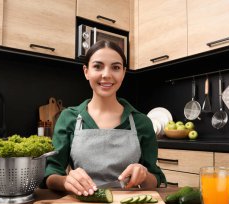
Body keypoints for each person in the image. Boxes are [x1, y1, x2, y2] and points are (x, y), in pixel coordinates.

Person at [43, 40, 166, 196]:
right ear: (86, 71)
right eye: (98, 66)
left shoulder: (142, 122)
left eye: (115, 67)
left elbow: (156, 178)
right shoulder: (69, 118)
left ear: (123, 73)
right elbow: (51, 173)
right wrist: (65, 181)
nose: (106, 74)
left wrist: (144, 175)